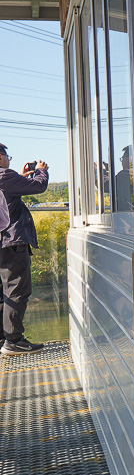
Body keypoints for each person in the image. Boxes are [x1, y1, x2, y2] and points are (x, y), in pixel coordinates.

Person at [0, 145, 49, 355]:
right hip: (11, 242)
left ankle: (3, 337)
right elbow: (39, 187)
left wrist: (20, 177)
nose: (8, 160)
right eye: (7, 156)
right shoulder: (4, 175)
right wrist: (41, 170)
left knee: (3, 293)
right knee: (17, 290)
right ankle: (14, 341)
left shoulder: (7, 179)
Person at [114, 145, 134, 211]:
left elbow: (106, 186)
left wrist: (99, 171)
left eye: (122, 159)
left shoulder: (124, 175)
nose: (122, 162)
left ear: (130, 158)